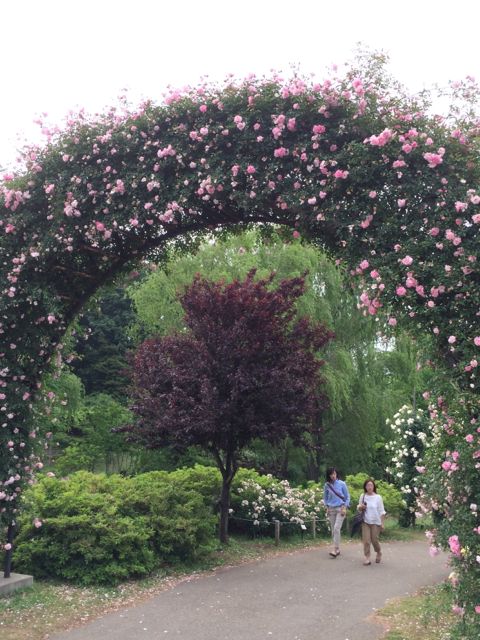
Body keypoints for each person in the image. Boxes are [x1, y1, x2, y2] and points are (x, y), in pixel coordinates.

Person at [357, 478, 386, 565]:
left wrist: (382, 523)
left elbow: (382, 511)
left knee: (374, 540)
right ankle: (367, 557)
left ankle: (379, 552)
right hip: (365, 521)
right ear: (365, 487)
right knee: (366, 541)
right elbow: (358, 508)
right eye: (367, 485)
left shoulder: (378, 497)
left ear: (374, 486)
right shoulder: (363, 496)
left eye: (371, 485)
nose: (369, 487)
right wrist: (361, 507)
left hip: (376, 522)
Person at [323, 467, 350, 558]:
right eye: (331, 474)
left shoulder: (342, 484)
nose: (333, 476)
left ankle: (335, 549)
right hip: (331, 509)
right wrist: (326, 506)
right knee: (333, 529)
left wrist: (345, 507)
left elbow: (347, 497)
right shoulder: (327, 485)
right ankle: (336, 548)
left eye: (334, 474)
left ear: (336, 474)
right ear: (328, 475)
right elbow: (325, 498)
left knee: (336, 528)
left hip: (340, 508)